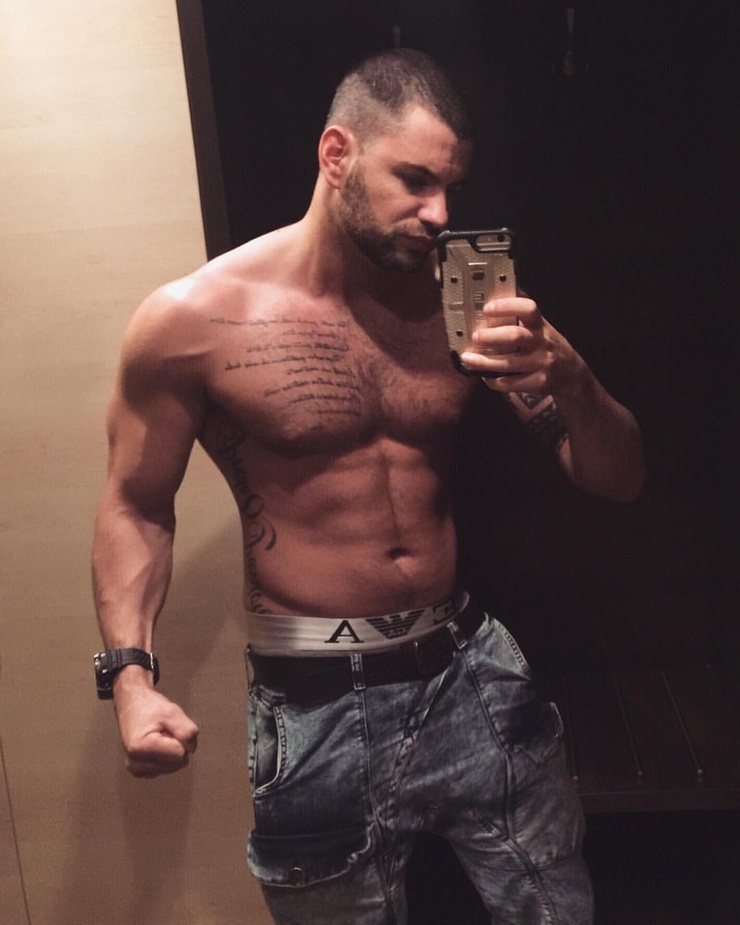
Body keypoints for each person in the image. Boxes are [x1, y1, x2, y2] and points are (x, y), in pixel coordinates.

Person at [92, 48, 645, 925]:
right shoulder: (193, 321)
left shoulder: (461, 303)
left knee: (560, 910)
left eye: (453, 188)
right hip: (315, 704)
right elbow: (135, 503)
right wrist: (131, 678)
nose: (441, 214)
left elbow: (618, 478)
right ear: (336, 154)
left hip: (469, 670)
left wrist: (572, 379)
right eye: (415, 180)